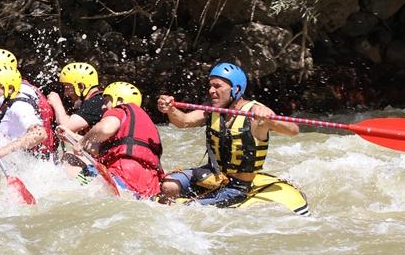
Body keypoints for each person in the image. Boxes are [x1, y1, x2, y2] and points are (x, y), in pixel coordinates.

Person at [157, 62, 299, 206]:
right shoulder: (211, 109)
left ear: (236, 89)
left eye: (217, 86)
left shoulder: (255, 113)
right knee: (168, 186)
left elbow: (293, 130)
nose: (211, 90)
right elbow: (184, 121)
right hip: (214, 176)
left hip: (238, 187)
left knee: (190, 207)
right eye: (211, 86)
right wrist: (170, 109)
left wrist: (270, 120)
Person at [75, 81, 163, 199]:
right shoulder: (150, 126)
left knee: (72, 163)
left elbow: (104, 129)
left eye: (107, 101)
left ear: (120, 100)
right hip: (151, 183)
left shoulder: (119, 110)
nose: (103, 106)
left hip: (124, 172)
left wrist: (83, 141)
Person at [48, 61, 106, 134]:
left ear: (80, 86)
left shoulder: (96, 103)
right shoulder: (96, 100)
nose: (66, 93)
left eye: (67, 88)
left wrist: (57, 103)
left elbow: (66, 127)